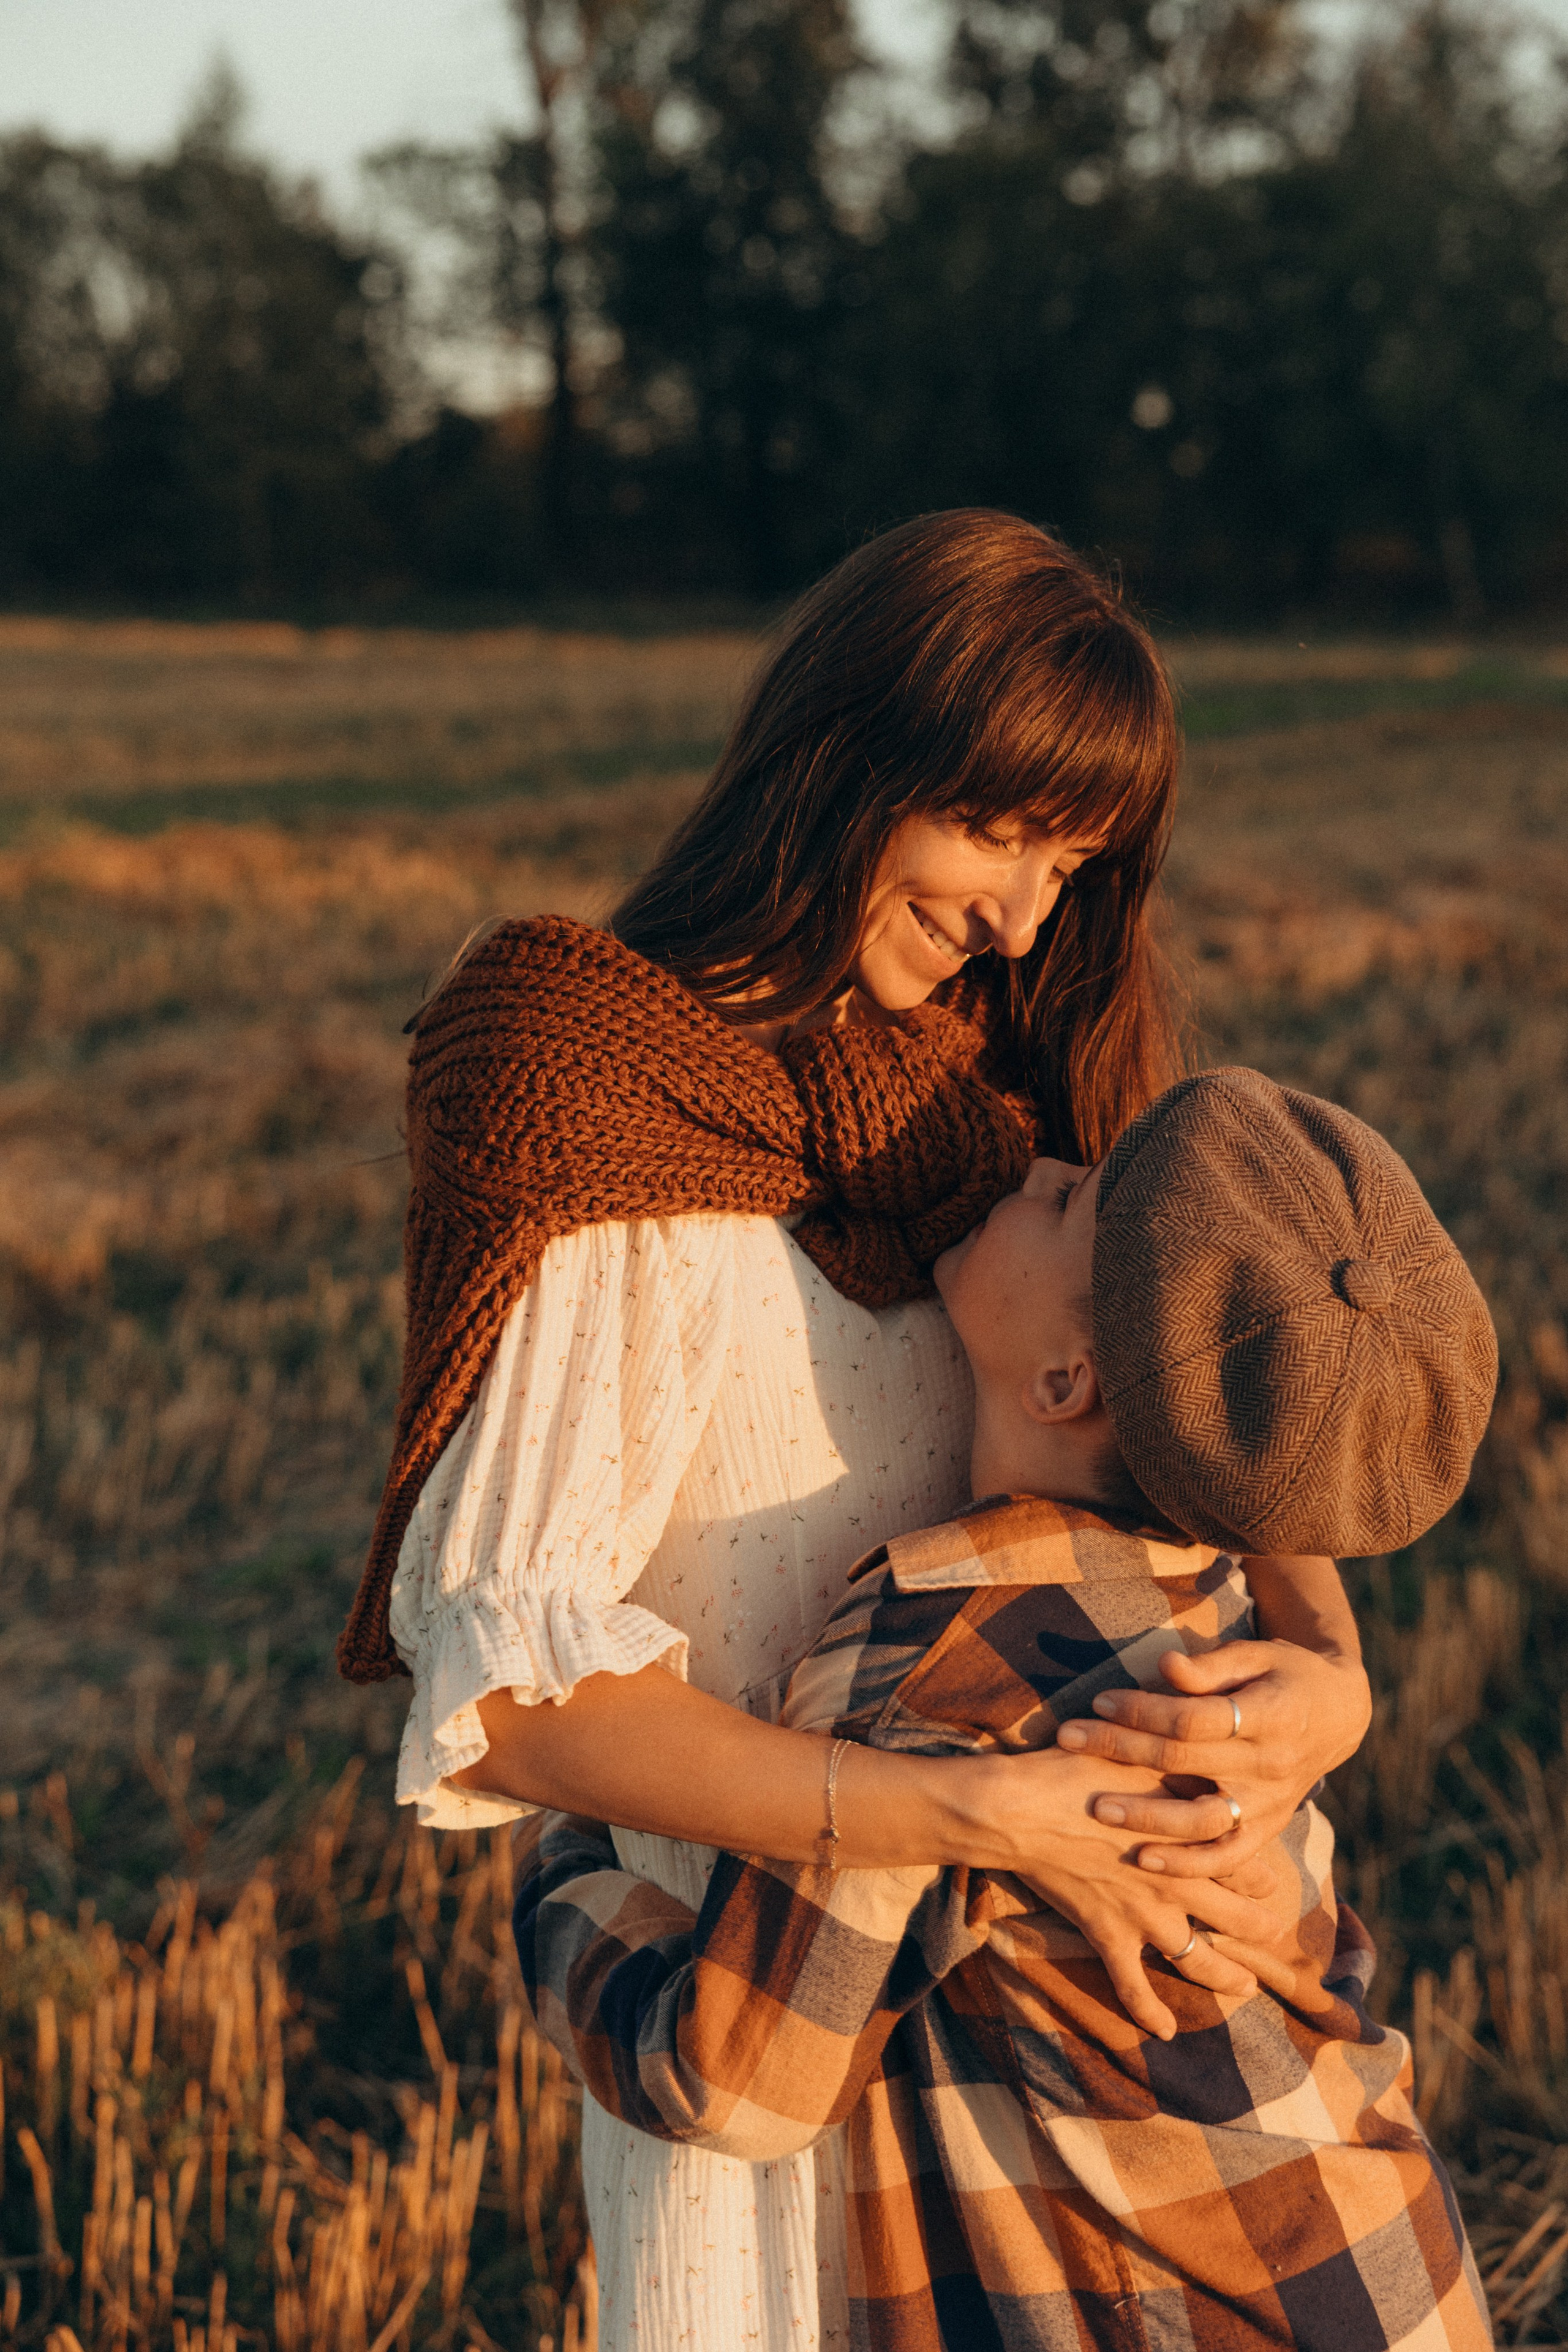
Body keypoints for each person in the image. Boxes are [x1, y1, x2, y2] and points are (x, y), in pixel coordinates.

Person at [336, 513, 1374, 2349]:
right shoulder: (580, 1072)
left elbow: (1223, 1404)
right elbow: (512, 1684)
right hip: (756, 2036)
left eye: (1073, 860)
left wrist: (1329, 1674)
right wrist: (962, 1815)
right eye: (994, 831)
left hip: (1045, 2093)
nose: (1023, 917)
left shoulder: (1027, 1096)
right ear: (844, 758)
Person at [514, 1069, 1498, 2350]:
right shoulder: (1211, 1597)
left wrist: (565, 1857)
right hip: (1375, 2269)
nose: (1034, 1168)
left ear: (1063, 1381)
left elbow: (731, 2081)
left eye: (1071, 1198)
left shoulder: (937, 1666)